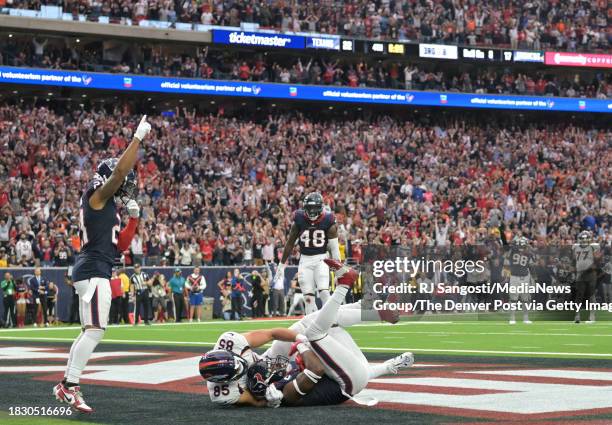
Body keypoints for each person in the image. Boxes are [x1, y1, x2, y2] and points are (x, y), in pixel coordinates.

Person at [199, 259, 406, 408]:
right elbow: (257, 402)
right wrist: (270, 399)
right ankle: (368, 307)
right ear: (224, 380)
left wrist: (299, 338)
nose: (243, 364)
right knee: (316, 329)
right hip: (271, 383)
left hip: (272, 364)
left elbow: (272, 333)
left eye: (239, 361)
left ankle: (368, 308)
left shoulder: (230, 342)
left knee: (307, 324)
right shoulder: (224, 393)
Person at [53, 115, 150, 413]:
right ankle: (68, 386)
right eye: (123, 183)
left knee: (92, 330)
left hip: (99, 268)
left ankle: (69, 385)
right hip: (93, 270)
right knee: (94, 330)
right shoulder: (96, 197)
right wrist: (137, 138)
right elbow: (120, 173)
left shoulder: (108, 207)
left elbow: (119, 246)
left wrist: (134, 219)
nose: (127, 187)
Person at [275, 192, 340, 315]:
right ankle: (312, 326)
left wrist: (338, 270)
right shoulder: (299, 219)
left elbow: (334, 249)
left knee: (324, 292)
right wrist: (281, 265)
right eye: (309, 208)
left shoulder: (328, 220)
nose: (311, 211)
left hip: (322, 259)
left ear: (320, 208)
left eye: (314, 208)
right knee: (308, 298)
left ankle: (332, 321)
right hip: (305, 260)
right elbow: (290, 243)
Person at [504, 236, 535, 324]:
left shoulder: (512, 251)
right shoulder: (528, 253)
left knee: (519, 298)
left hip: (519, 277)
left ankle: (516, 318)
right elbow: (532, 266)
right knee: (520, 299)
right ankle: (519, 317)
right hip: (519, 276)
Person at [572, 231, 601, 324]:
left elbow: (597, 259)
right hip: (580, 274)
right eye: (582, 239)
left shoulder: (593, 246)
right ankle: (577, 315)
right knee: (579, 295)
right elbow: (575, 260)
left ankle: (592, 316)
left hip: (590, 274)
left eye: (585, 239)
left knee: (591, 295)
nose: (584, 241)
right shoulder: (575, 247)